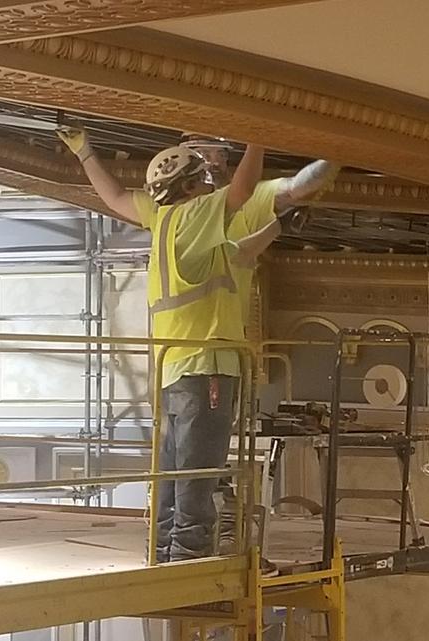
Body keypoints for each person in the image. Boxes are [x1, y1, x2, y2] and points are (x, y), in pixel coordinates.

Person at [58, 127, 278, 562]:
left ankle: (161, 556)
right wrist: (258, 138)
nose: (208, 183)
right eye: (203, 178)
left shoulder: (159, 219)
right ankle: (187, 565)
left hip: (174, 371)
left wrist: (85, 151)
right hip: (207, 366)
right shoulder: (195, 217)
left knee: (173, 476)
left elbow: (114, 196)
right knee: (198, 480)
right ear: (191, 187)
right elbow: (242, 191)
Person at [179, 133, 339, 556]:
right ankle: (193, 544)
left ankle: (204, 538)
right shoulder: (177, 217)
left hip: (220, 357)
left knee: (205, 453)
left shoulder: (245, 204)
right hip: (197, 358)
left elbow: (297, 187)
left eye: (215, 153)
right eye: (199, 154)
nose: (209, 161)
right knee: (194, 458)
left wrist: (340, 151)